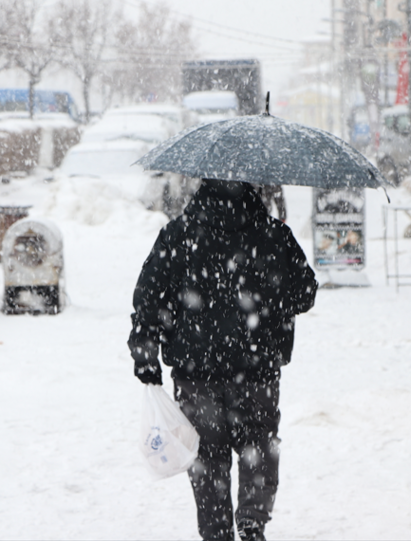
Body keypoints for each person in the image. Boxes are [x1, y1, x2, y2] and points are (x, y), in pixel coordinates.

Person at [129, 178, 317, 541]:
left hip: (195, 372)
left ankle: (216, 532)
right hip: (257, 370)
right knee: (257, 447)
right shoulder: (273, 234)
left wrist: (146, 355)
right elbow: (305, 293)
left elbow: (148, 298)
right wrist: (266, 297)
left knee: (207, 458)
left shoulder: (179, 234)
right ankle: (251, 523)